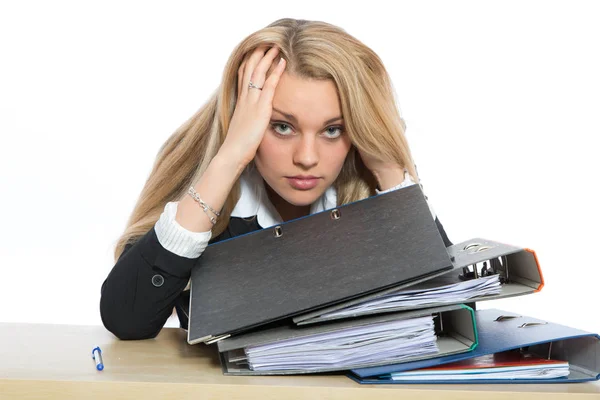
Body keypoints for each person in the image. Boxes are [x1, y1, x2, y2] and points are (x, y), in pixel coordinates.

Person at [100, 18, 454, 340]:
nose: (307, 158)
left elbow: (454, 321)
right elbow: (127, 320)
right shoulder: (208, 185)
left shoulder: (373, 189)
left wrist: (391, 172)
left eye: (333, 130)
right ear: (245, 120)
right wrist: (230, 156)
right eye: (282, 127)